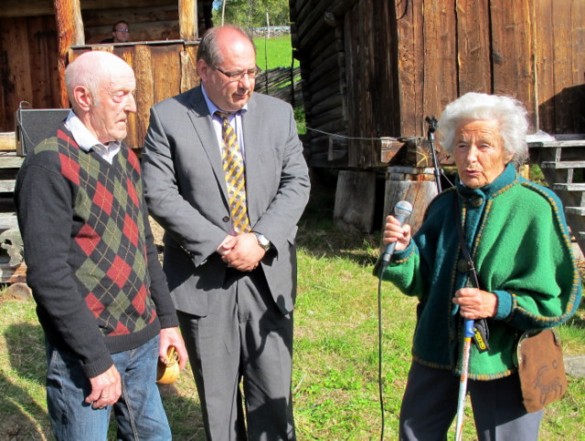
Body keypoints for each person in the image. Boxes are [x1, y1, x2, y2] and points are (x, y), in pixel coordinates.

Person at [377, 92, 582, 440]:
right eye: (460, 146)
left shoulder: (535, 208)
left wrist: (497, 303)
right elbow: (422, 280)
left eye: (484, 145)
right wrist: (402, 251)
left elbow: (559, 299)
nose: (470, 157)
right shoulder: (444, 206)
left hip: (504, 357)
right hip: (438, 346)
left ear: (507, 150)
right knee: (415, 432)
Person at [141, 24, 311, 440]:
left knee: (273, 392)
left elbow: (297, 182)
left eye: (251, 73)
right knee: (217, 403)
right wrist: (220, 242)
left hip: (266, 275)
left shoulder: (278, 114)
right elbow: (158, 193)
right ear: (203, 70)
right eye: (235, 74)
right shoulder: (169, 118)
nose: (246, 84)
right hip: (203, 279)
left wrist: (261, 238)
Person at [15, 51, 187, 440]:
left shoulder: (126, 159)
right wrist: (94, 359)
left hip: (143, 342)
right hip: (87, 353)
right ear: (83, 96)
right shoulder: (48, 166)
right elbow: (48, 275)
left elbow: (145, 247)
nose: (132, 106)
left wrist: (168, 323)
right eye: (120, 95)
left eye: (132, 94)